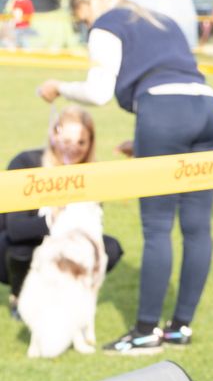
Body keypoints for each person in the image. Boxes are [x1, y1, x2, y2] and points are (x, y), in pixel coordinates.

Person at [35, 0, 213, 354]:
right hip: (207, 108)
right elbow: (172, 78)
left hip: (164, 112)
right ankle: (179, 329)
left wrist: (58, 87)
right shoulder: (162, 20)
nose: (84, 23)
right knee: (196, 227)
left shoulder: (107, 23)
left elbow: (99, 91)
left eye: (81, 17)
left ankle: (143, 331)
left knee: (157, 227)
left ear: (87, 3)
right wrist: (144, 139)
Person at [0, 105, 124, 318]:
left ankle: (70, 296)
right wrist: (54, 218)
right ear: (54, 136)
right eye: (66, 141)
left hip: (68, 241)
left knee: (108, 248)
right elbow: (16, 229)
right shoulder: (26, 163)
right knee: (22, 250)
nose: (73, 148)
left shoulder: (91, 174)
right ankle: (19, 297)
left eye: (81, 142)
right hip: (18, 243)